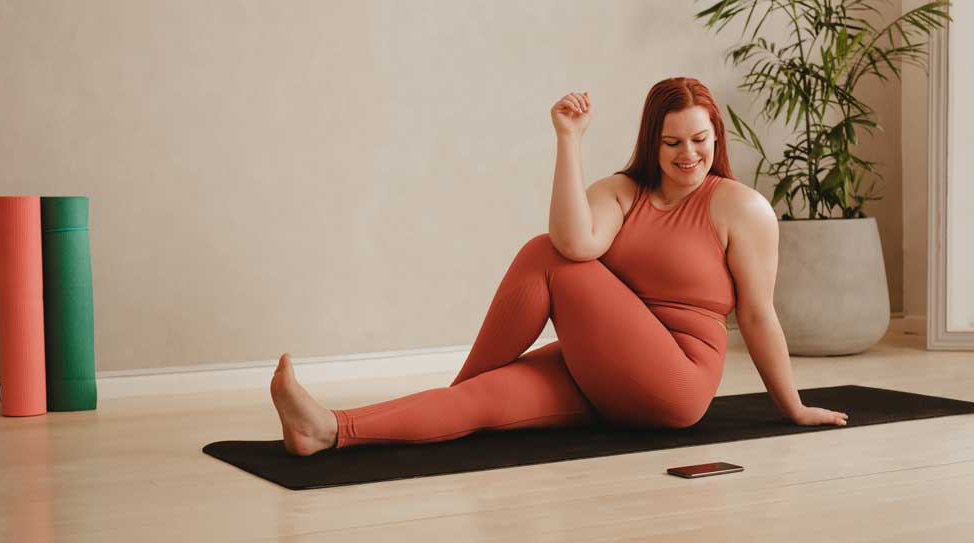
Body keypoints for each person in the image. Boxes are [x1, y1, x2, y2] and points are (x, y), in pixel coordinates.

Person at [269, 76, 849, 457]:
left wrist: (792, 407)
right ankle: (326, 430)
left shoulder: (740, 207)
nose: (688, 155)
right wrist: (568, 139)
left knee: (547, 255)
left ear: (714, 136)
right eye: (672, 143)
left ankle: (455, 392)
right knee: (481, 400)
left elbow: (757, 314)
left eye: (699, 140)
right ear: (652, 142)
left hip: (675, 380)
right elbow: (578, 237)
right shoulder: (622, 191)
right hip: (599, 368)